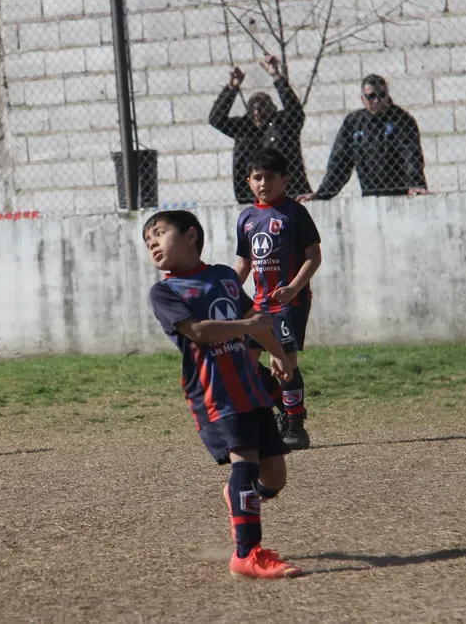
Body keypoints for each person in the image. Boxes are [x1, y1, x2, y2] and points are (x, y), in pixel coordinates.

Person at [144, 209, 303, 579]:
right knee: (244, 462)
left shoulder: (224, 276)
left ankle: (241, 496)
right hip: (215, 391)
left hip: (249, 386)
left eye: (159, 233)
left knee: (275, 476)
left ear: (191, 235)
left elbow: (256, 319)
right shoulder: (164, 291)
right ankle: (247, 554)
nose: (152, 243)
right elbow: (198, 331)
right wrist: (246, 325)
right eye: (147, 240)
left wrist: (278, 355)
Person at [235, 149, 321, 450]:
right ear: (249, 182)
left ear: (285, 180)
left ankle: (296, 425)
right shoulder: (246, 217)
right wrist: (229, 292)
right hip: (257, 306)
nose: (263, 183)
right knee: (244, 363)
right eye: (257, 178)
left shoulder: (295, 213)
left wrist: (293, 288)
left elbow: (314, 258)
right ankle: (280, 412)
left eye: (270, 177)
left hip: (289, 304)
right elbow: (244, 263)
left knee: (285, 364)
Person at [299, 75, 427, 202]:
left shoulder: (401, 120)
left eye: (381, 95)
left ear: (387, 96)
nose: (377, 100)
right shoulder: (354, 123)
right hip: (369, 198)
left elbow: (411, 155)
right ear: (362, 99)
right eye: (371, 96)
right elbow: (340, 162)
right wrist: (321, 194)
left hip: (402, 196)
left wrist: (416, 184)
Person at [209, 54, 312, 204]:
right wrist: (232, 87)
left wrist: (276, 77)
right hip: (251, 199)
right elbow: (216, 119)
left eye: (262, 107)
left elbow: (295, 112)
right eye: (253, 109)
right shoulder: (244, 128)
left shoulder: (283, 124)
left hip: (291, 195)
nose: (257, 113)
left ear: (272, 108)